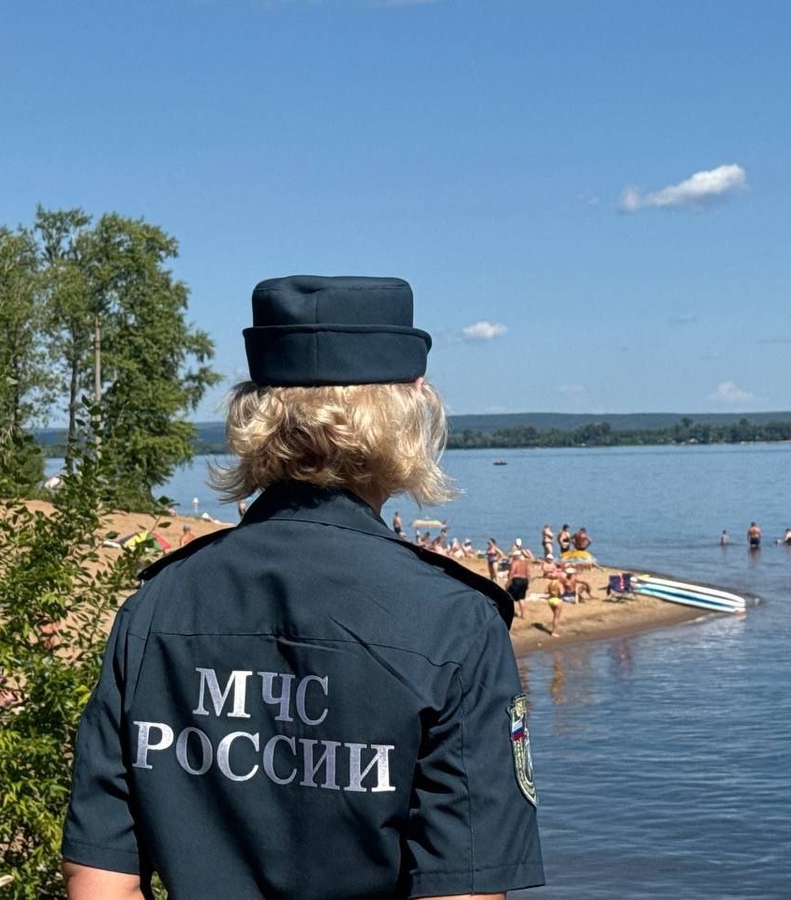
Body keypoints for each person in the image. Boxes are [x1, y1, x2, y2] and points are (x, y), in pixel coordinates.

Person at [62, 274, 544, 899]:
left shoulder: (157, 606)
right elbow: (464, 890)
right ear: (408, 412)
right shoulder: (454, 622)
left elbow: (97, 880)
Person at [507, 549, 531, 621]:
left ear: (515, 556)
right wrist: (528, 583)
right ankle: (523, 615)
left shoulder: (514, 562)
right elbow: (529, 573)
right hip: (524, 580)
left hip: (516, 580)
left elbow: (512, 572)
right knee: (521, 598)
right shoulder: (525, 563)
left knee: (508, 596)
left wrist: (508, 582)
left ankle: (508, 612)